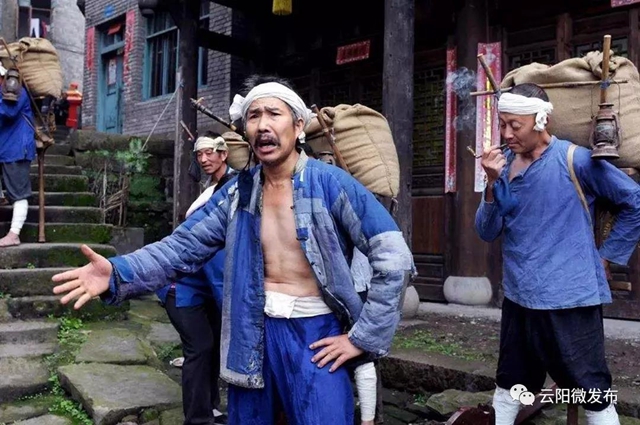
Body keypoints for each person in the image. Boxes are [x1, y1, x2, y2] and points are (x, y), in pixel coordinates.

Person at [51, 75, 414, 424]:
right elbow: (182, 247)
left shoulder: (331, 184)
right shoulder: (238, 193)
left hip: (317, 335)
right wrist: (118, 272)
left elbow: (394, 257)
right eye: (254, 116)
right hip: (251, 333)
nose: (262, 125)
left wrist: (362, 337)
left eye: (274, 114)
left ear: (298, 125)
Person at [476, 83, 640, 425]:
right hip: (519, 296)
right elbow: (487, 231)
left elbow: (634, 202)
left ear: (541, 121)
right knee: (511, 384)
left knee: (592, 391)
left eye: (515, 125)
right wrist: (491, 183)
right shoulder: (503, 165)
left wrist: (607, 256)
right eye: (502, 124)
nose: (506, 134)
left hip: (570, 298)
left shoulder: (575, 159)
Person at [155, 134, 232, 425]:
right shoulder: (210, 212)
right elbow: (218, 273)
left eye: (209, 153)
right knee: (199, 348)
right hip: (181, 289)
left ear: (224, 154)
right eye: (200, 154)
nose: (203, 159)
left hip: (204, 290)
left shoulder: (227, 190)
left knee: (211, 346)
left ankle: (210, 407)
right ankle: (197, 419)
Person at [0, 65, 36, 247]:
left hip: (16, 148)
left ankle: (14, 234)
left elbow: (8, 112)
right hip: (5, 146)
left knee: (19, 192)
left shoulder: (14, 88)